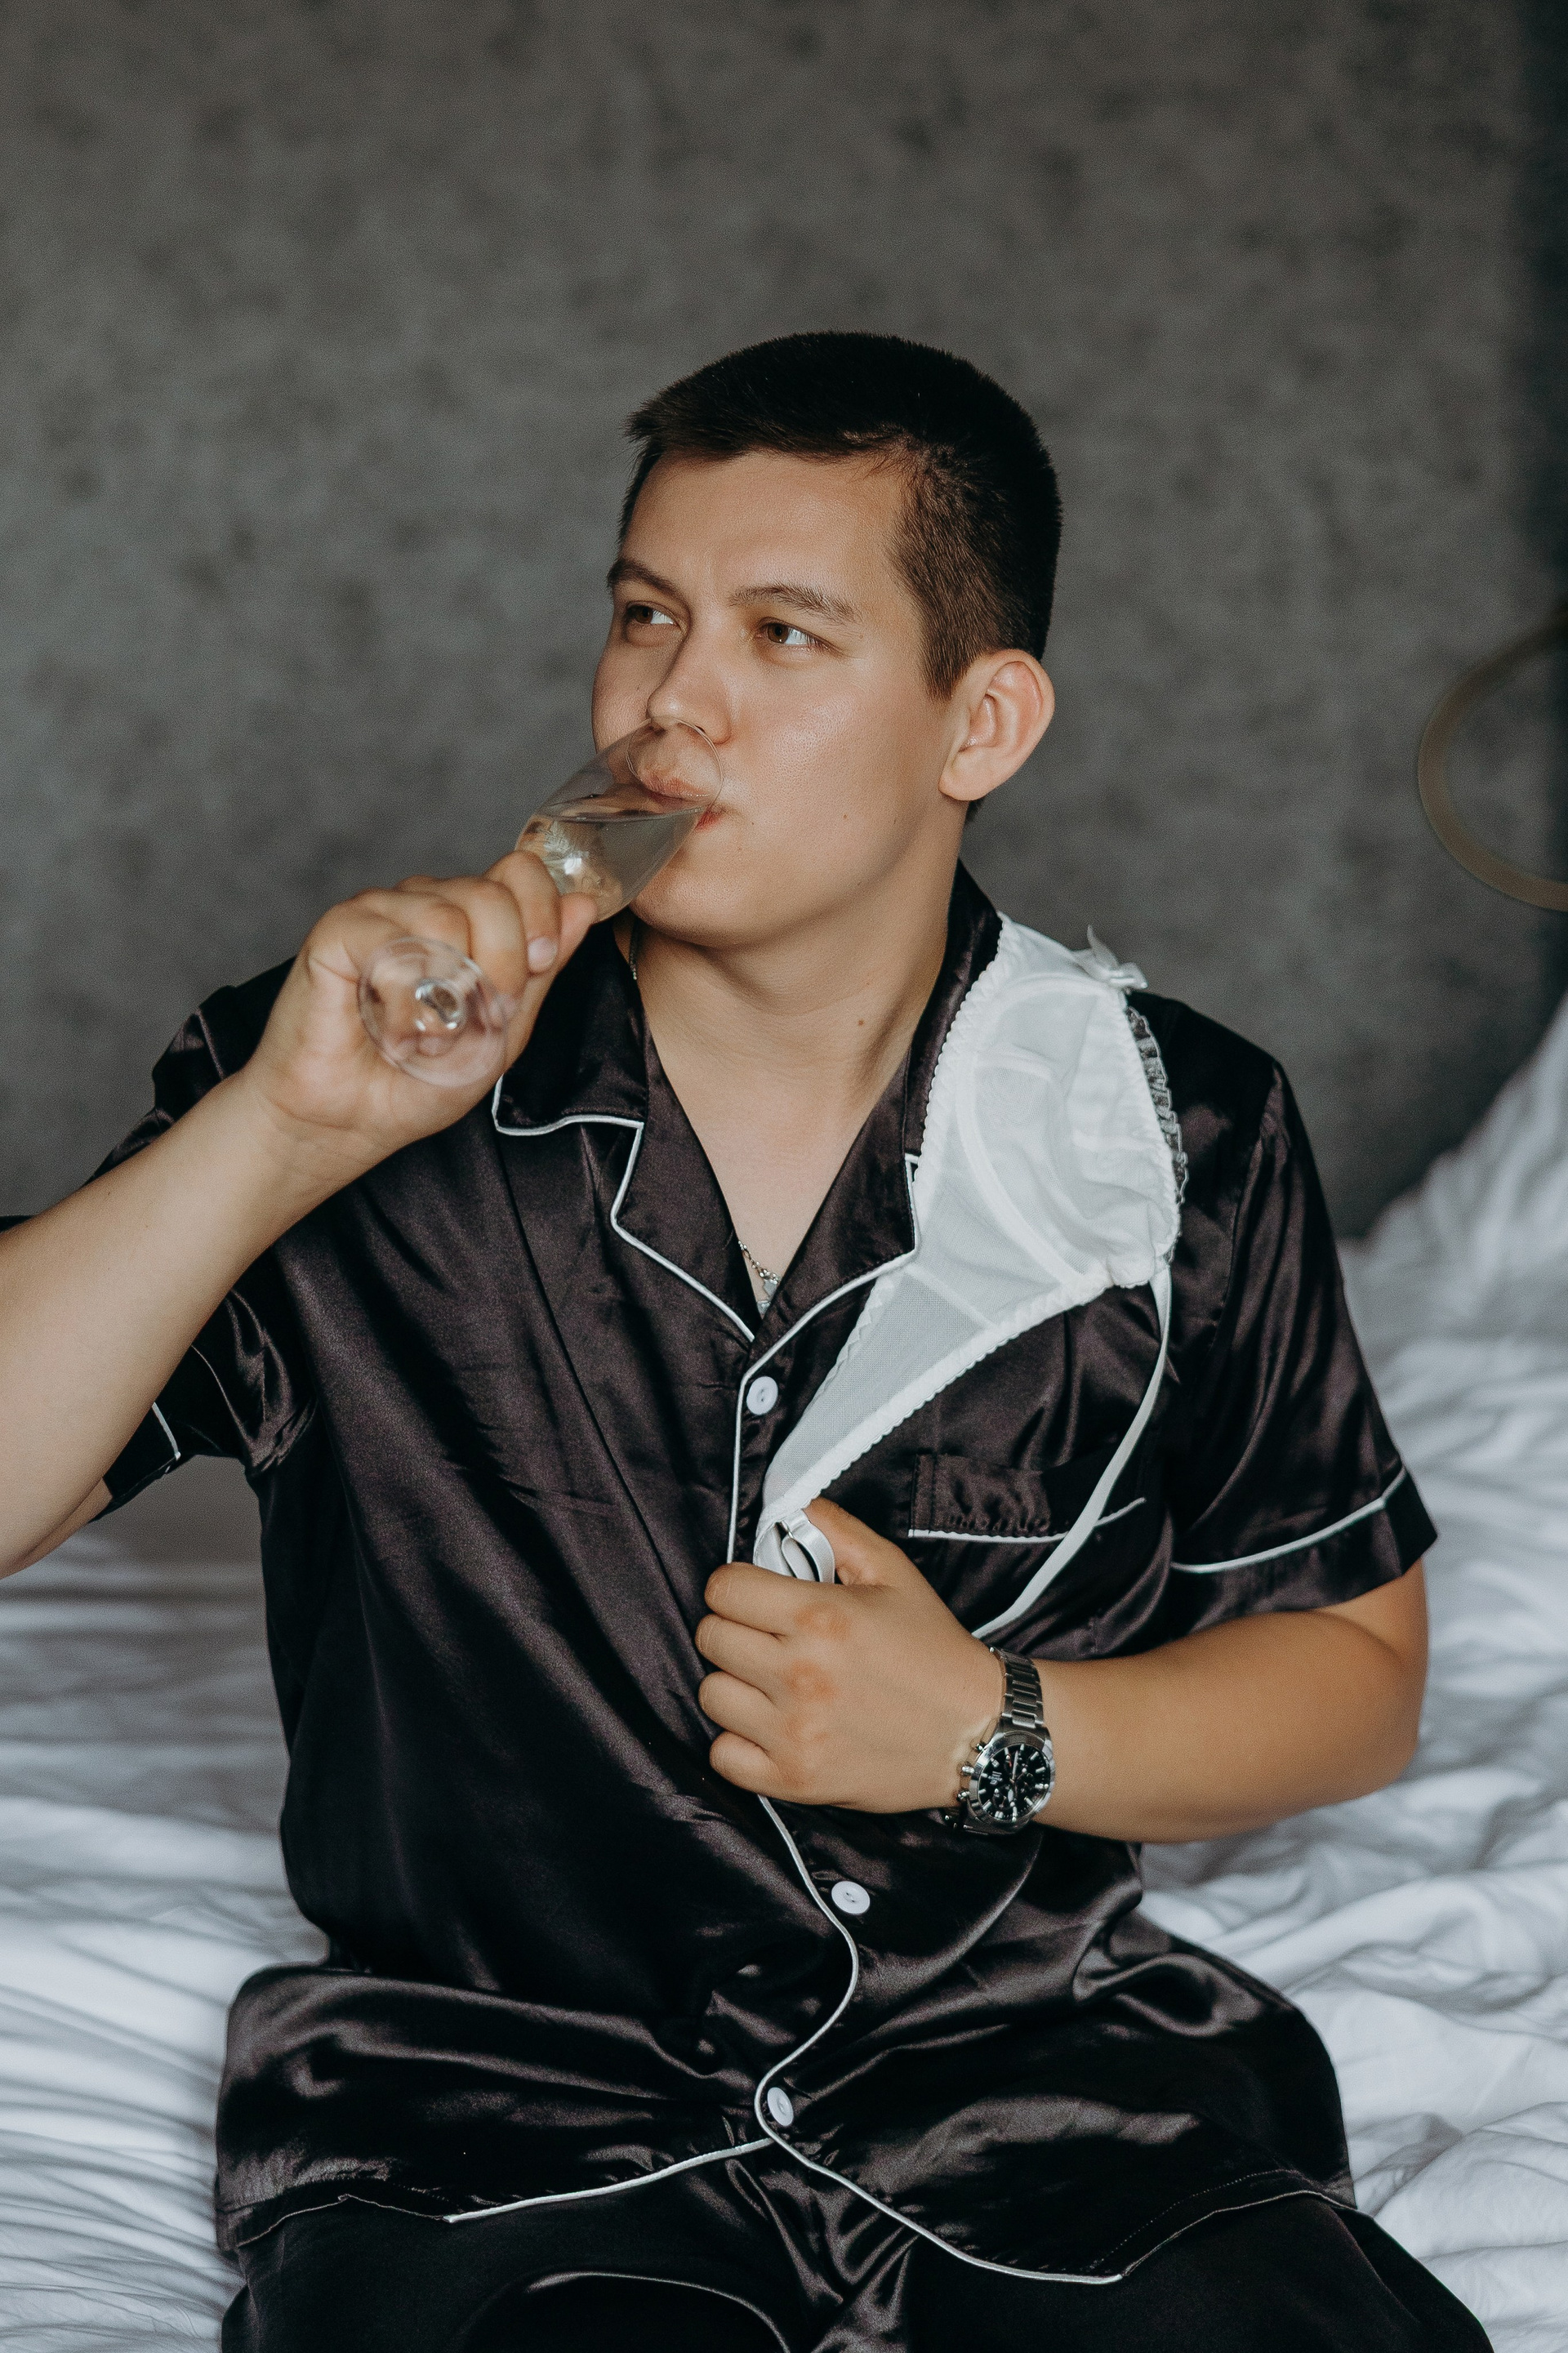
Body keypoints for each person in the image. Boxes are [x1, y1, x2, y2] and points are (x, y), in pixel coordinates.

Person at [0, 332, 1487, 2352]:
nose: (667, 707)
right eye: (646, 617)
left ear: (981, 720)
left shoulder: (1176, 1131)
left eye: (784, 635)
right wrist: (280, 1134)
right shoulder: (339, 1068)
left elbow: (1357, 1675)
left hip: (1048, 2107)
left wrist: (990, 1732)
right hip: (494, 2129)